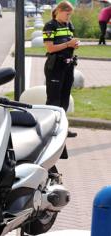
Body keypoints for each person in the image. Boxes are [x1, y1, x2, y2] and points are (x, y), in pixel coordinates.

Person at [43, 0, 79, 138]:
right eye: (67, 14)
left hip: (68, 66)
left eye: (70, 15)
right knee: (54, 99)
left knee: (65, 99)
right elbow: (50, 48)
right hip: (55, 66)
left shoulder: (69, 24)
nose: (68, 17)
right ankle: (49, 128)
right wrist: (68, 44)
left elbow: (70, 40)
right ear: (59, 10)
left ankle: (62, 128)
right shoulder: (50, 26)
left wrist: (74, 44)